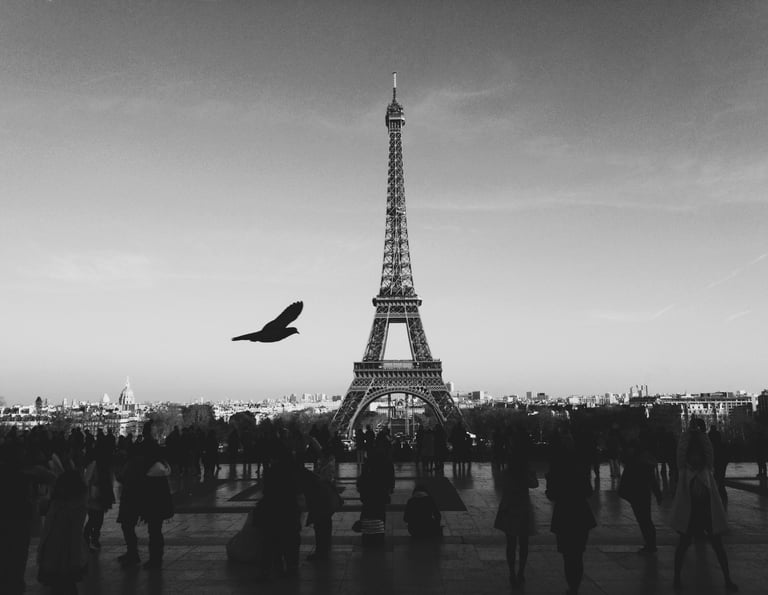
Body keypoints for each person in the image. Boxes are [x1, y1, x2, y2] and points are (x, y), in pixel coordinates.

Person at [670, 419, 738, 592]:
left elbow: (709, 450)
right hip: (693, 514)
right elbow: (682, 450)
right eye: (693, 456)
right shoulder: (685, 471)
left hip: (704, 513)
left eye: (698, 455)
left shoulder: (707, 471)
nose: (696, 458)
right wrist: (689, 434)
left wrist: (699, 434)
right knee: (684, 547)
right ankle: (677, 578)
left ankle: (727, 578)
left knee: (717, 547)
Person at [546, 425, 596, 595]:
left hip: (564, 514)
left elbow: (551, 494)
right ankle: (575, 586)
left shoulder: (556, 467)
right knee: (578, 554)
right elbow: (588, 491)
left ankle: (572, 587)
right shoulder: (580, 466)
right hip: (580, 513)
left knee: (568, 555)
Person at [36, 469, 89, 595]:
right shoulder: (56, 502)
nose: (57, 488)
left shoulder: (76, 507)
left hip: (65, 555)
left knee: (65, 586)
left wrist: (75, 561)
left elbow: (75, 535)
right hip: (52, 552)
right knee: (60, 586)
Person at [495, 432, 537, 588]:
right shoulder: (525, 473)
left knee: (511, 544)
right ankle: (521, 571)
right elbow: (534, 484)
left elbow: (502, 485)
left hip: (509, 508)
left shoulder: (508, 473)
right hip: (524, 508)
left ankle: (512, 571)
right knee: (524, 544)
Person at [618, 429, 662, 553]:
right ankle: (650, 543)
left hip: (638, 492)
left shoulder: (637, 459)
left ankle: (650, 544)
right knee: (644, 519)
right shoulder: (643, 457)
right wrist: (657, 492)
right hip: (641, 491)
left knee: (644, 519)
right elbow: (652, 478)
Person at [140, 442, 174, 570]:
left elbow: (148, 491)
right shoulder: (161, 468)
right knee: (156, 532)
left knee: (154, 533)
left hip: (153, 507)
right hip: (160, 507)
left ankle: (155, 558)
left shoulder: (151, 470)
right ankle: (157, 557)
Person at [83, 446, 116, 551]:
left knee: (97, 519)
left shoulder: (102, 466)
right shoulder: (95, 465)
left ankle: (93, 537)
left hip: (100, 496)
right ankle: (89, 537)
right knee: (95, 518)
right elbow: (87, 480)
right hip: (94, 496)